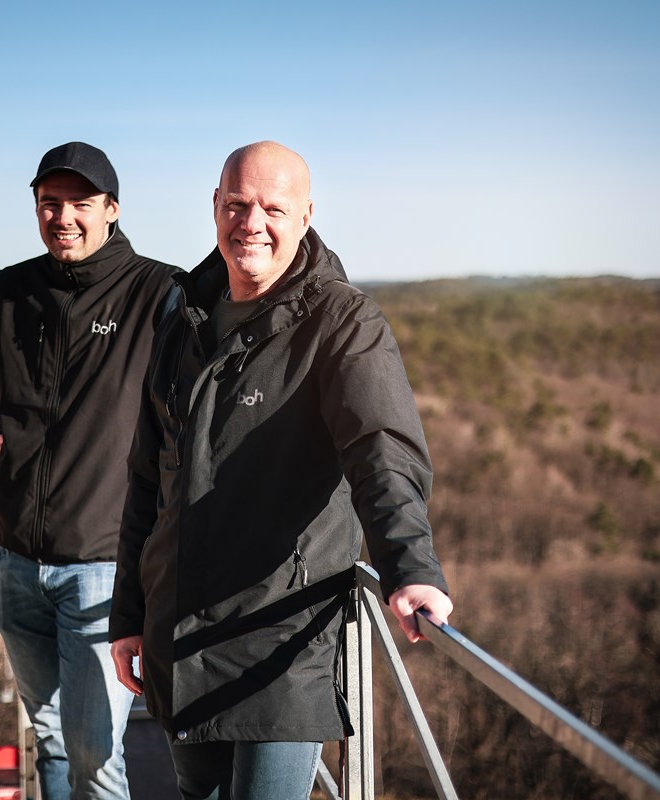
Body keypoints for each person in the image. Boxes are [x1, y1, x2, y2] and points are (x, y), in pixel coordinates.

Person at [109, 140, 453, 799]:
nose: (252, 222)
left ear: (306, 215)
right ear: (214, 206)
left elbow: (381, 449)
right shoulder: (183, 319)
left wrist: (409, 566)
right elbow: (149, 480)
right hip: (180, 641)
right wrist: (129, 613)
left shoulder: (341, 321)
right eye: (237, 204)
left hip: (279, 645)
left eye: (273, 206)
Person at [0, 141, 180, 800]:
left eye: (80, 203)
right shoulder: (8, 292)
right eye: (50, 203)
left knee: (95, 754)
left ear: (112, 209)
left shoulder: (159, 293)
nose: (64, 217)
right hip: (14, 559)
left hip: (100, 568)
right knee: (48, 735)